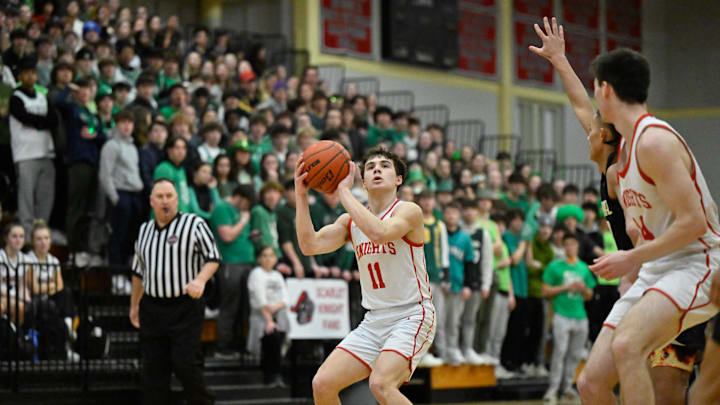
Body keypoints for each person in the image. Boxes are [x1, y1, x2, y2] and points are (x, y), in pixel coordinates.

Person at [530, 17, 712, 405]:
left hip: (692, 266)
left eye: (596, 90)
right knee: (591, 383)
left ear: (606, 91)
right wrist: (560, 61)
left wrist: (631, 258)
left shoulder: (653, 142)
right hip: (651, 271)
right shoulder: (621, 150)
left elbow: (694, 223)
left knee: (647, 365)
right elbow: (580, 104)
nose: (590, 112)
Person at [297, 146, 434, 405]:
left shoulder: (409, 211)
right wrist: (301, 195)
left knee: (381, 385)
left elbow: (380, 232)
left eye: (384, 166)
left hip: (411, 314)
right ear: (363, 179)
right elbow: (309, 245)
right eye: (370, 167)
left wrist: (344, 192)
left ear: (398, 179)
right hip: (374, 320)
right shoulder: (350, 221)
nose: (376, 169)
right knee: (322, 384)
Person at [129, 179, 221, 405]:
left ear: (177, 199)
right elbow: (138, 273)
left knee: (185, 365)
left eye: (169, 196)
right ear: (151, 202)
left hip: (185, 307)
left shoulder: (194, 224)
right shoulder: (144, 230)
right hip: (152, 307)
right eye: (159, 197)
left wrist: (200, 280)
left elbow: (213, 257)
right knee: (153, 371)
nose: (165, 201)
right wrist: (134, 306)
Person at [541, 233, 595, 402]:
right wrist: (567, 287)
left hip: (580, 315)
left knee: (575, 354)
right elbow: (545, 291)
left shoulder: (584, 268)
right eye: (567, 244)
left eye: (573, 244)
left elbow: (589, 295)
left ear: (577, 246)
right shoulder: (554, 267)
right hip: (561, 314)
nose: (570, 247)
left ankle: (567, 387)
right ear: (563, 247)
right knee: (559, 352)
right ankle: (553, 388)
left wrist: (583, 290)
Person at [9, 57, 57, 238]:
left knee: (46, 196)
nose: (31, 76)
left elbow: (54, 120)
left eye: (33, 73)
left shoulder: (43, 96)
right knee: (26, 197)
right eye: (27, 73)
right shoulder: (16, 97)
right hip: (25, 154)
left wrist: (36, 122)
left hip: (46, 152)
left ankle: (41, 232)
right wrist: (40, 122)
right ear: (21, 76)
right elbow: (24, 117)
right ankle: (26, 233)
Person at [209, 184, 255, 359]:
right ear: (238, 197)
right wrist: (243, 221)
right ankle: (223, 346)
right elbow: (227, 236)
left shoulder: (241, 211)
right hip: (230, 263)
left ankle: (238, 345)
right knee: (230, 305)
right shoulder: (222, 208)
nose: (247, 208)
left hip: (247, 262)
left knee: (244, 307)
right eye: (246, 203)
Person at [99, 110, 144, 266]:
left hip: (135, 194)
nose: (127, 126)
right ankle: (115, 272)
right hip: (121, 194)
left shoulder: (133, 147)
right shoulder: (112, 145)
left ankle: (127, 269)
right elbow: (105, 174)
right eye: (123, 122)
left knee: (132, 235)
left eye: (129, 123)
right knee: (118, 234)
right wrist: (114, 197)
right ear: (117, 125)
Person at [247, 245, 290, 387]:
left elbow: (285, 298)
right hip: (261, 317)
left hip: (278, 315)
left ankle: (278, 375)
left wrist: (276, 307)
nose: (268, 258)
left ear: (276, 258)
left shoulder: (277, 275)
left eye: (271, 255)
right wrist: (269, 320)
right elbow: (260, 300)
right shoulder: (256, 274)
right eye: (264, 255)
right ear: (259, 259)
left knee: (280, 335)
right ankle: (271, 376)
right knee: (272, 336)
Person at [0, 223, 31, 326]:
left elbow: (23, 285)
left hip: (16, 297)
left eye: (21, 236)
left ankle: (16, 336)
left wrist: (26, 299)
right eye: (14, 236)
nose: (18, 240)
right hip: (3, 296)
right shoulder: (1, 257)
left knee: (25, 306)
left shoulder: (25, 259)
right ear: (6, 238)